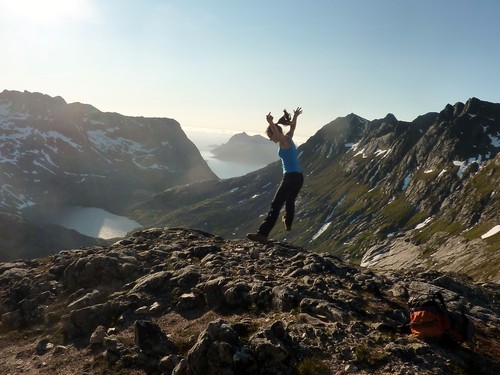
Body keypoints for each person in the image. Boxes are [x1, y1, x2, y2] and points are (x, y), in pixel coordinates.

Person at [247, 107, 304, 243]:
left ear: (275, 133)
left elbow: (278, 135)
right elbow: (293, 128)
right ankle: (288, 222)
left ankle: (262, 234)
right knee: (289, 202)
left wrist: (270, 122)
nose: (270, 139)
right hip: (299, 177)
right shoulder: (288, 138)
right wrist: (295, 116)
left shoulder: (283, 141)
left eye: (270, 136)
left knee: (276, 205)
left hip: (290, 177)